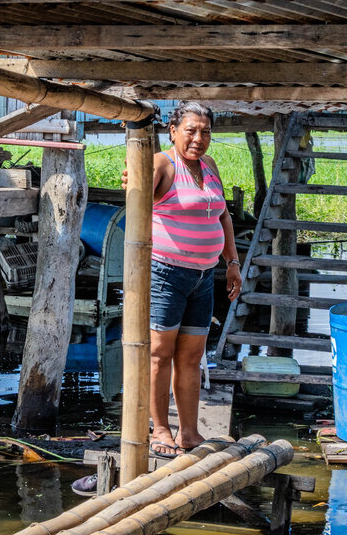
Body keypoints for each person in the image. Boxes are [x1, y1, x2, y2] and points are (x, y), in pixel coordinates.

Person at [122, 101, 242, 458]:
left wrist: (232, 262)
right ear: (172, 131)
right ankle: (160, 429)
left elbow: (222, 217)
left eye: (205, 132)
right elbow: (136, 193)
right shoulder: (162, 163)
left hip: (204, 275)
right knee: (160, 355)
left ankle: (189, 433)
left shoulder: (210, 166)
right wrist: (135, 178)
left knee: (191, 357)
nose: (198, 138)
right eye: (190, 130)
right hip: (166, 274)